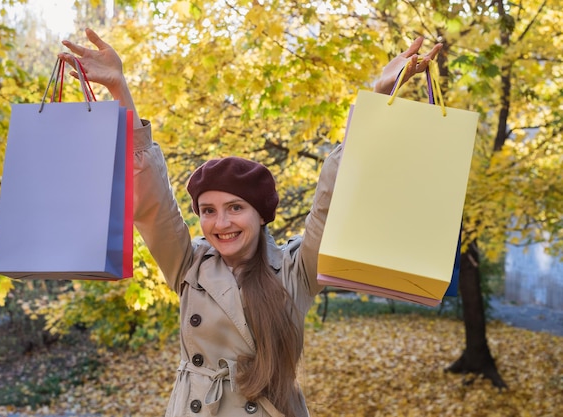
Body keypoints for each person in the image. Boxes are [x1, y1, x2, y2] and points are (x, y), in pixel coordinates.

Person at [59, 28, 442, 417]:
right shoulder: (187, 267)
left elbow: (332, 202)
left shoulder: (296, 271)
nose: (221, 223)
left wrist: (376, 98)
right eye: (208, 210)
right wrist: (119, 88)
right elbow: (152, 199)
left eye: (235, 208)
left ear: (261, 214)